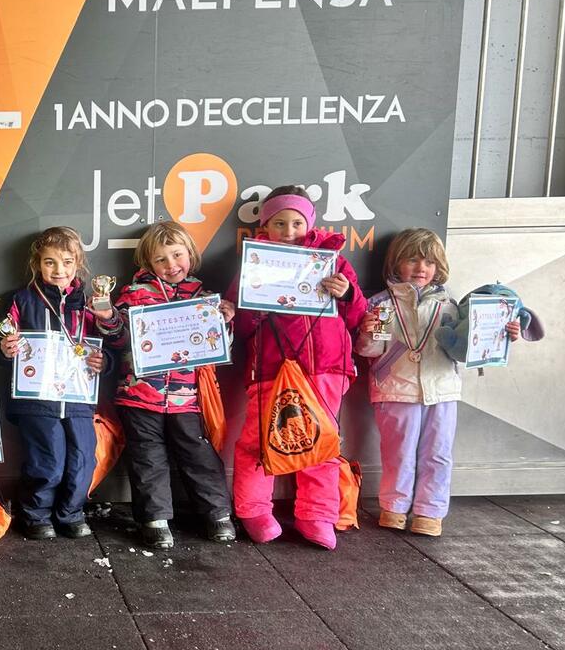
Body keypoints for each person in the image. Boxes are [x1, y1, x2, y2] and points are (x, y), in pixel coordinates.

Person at [226, 186, 367, 550]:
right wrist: (251, 306)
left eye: (296, 222)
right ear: (265, 227)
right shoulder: (253, 265)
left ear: (309, 223)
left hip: (326, 368)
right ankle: (253, 510)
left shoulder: (334, 261)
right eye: (279, 223)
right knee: (260, 443)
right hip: (271, 369)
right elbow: (239, 328)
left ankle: (317, 515)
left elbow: (358, 317)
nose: (289, 231)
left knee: (320, 445)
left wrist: (348, 294)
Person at [355, 228, 520, 537]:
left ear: (438, 267)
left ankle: (430, 511)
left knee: (438, 452)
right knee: (398, 452)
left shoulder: (451, 305)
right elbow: (368, 351)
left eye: (429, 262)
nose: (421, 268)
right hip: (395, 389)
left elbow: (468, 348)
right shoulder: (382, 304)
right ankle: (394, 506)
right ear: (396, 263)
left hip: (441, 389)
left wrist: (502, 333)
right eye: (413, 260)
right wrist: (367, 331)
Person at [95, 221, 236, 549]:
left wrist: (224, 321)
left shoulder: (203, 296)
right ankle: (154, 519)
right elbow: (117, 340)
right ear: (147, 263)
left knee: (198, 453)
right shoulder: (134, 294)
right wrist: (106, 316)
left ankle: (216, 513)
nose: (171, 265)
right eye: (161, 259)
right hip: (139, 394)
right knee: (147, 457)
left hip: (188, 396)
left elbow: (218, 347)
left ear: (190, 255)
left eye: (177, 255)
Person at [0, 226, 113, 541]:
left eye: (67, 263)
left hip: (78, 398)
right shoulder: (20, 300)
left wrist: (104, 362)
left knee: (83, 456)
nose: (59, 270)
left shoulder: (89, 303)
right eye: (50, 263)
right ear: (37, 264)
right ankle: (35, 514)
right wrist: (5, 349)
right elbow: (1, 341)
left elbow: (109, 342)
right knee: (49, 459)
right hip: (36, 400)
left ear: (78, 265)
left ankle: (71, 513)